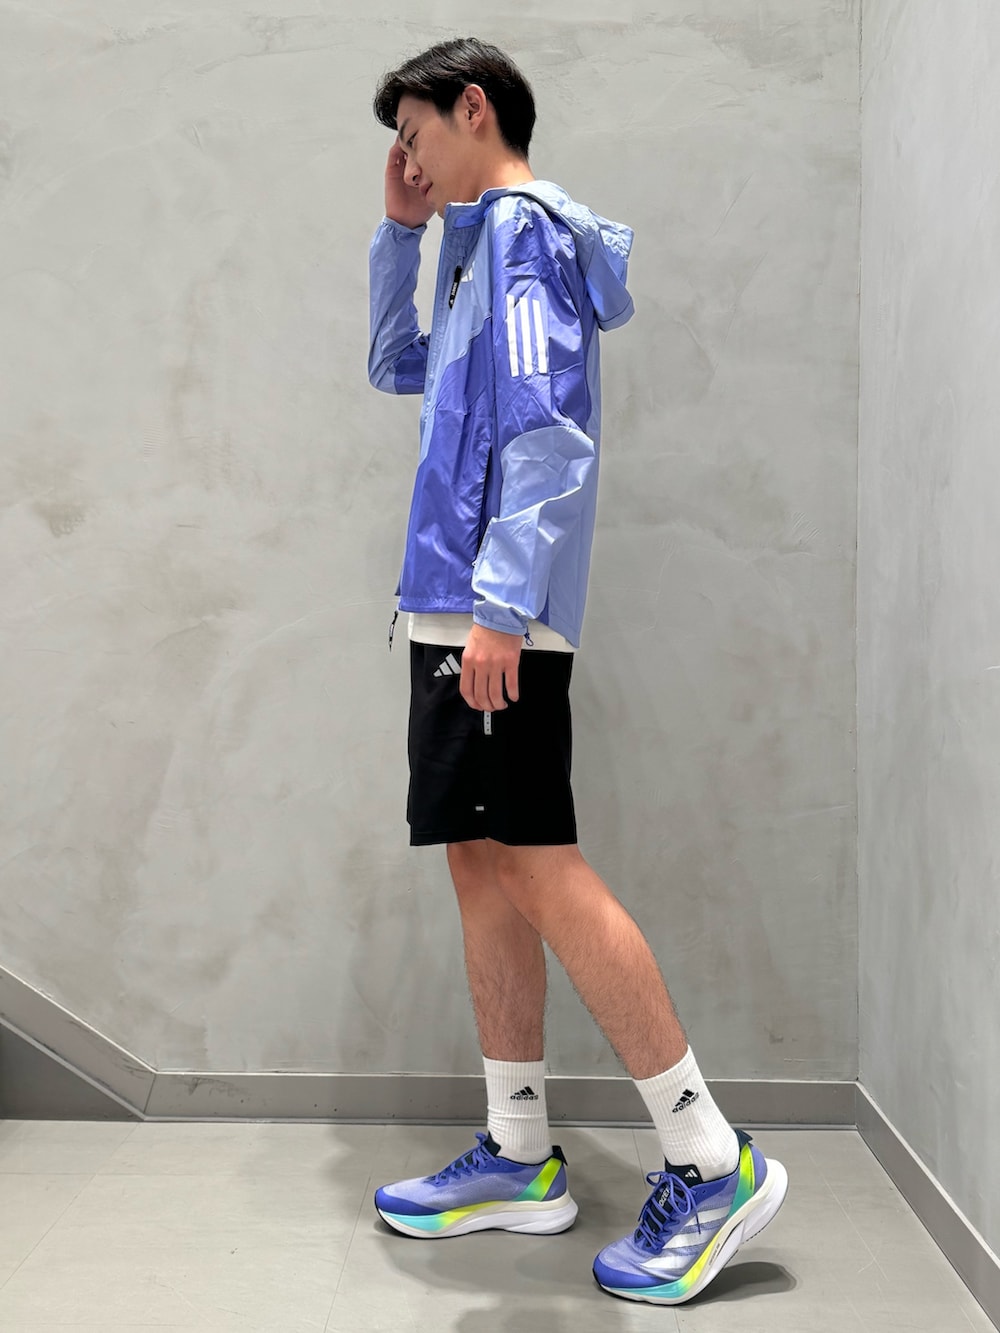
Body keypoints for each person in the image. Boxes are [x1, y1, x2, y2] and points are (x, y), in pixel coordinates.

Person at [366, 37, 787, 1305]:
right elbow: (396, 364)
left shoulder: (524, 236)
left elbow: (547, 429)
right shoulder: (470, 242)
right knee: (481, 860)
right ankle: (517, 1150)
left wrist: (501, 603)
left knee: (537, 862)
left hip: (487, 614)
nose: (408, 157)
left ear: (474, 107)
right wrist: (399, 235)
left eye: (415, 133)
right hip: (452, 609)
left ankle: (709, 1159)